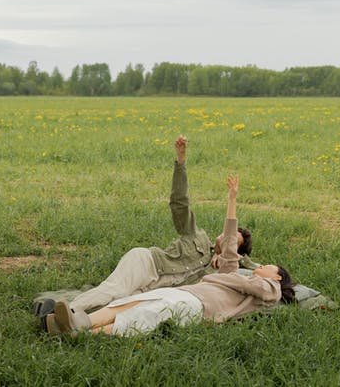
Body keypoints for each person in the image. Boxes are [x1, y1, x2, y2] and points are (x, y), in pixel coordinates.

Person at [40, 136, 254, 329]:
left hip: (156, 289)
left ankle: (64, 323)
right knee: (113, 290)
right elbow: (180, 204)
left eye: (233, 240)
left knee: (119, 304)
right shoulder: (198, 236)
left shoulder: (220, 276)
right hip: (148, 265)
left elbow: (256, 272)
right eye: (228, 233)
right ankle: (60, 313)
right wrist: (180, 162)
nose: (227, 237)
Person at [49, 175, 295, 336]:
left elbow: (257, 282)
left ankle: (77, 331)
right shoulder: (225, 268)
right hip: (172, 284)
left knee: (139, 314)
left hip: (197, 304)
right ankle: (75, 321)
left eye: (268, 266)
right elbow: (228, 239)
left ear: (277, 277)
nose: (262, 266)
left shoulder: (266, 288)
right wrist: (232, 199)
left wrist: (238, 269)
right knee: (123, 303)